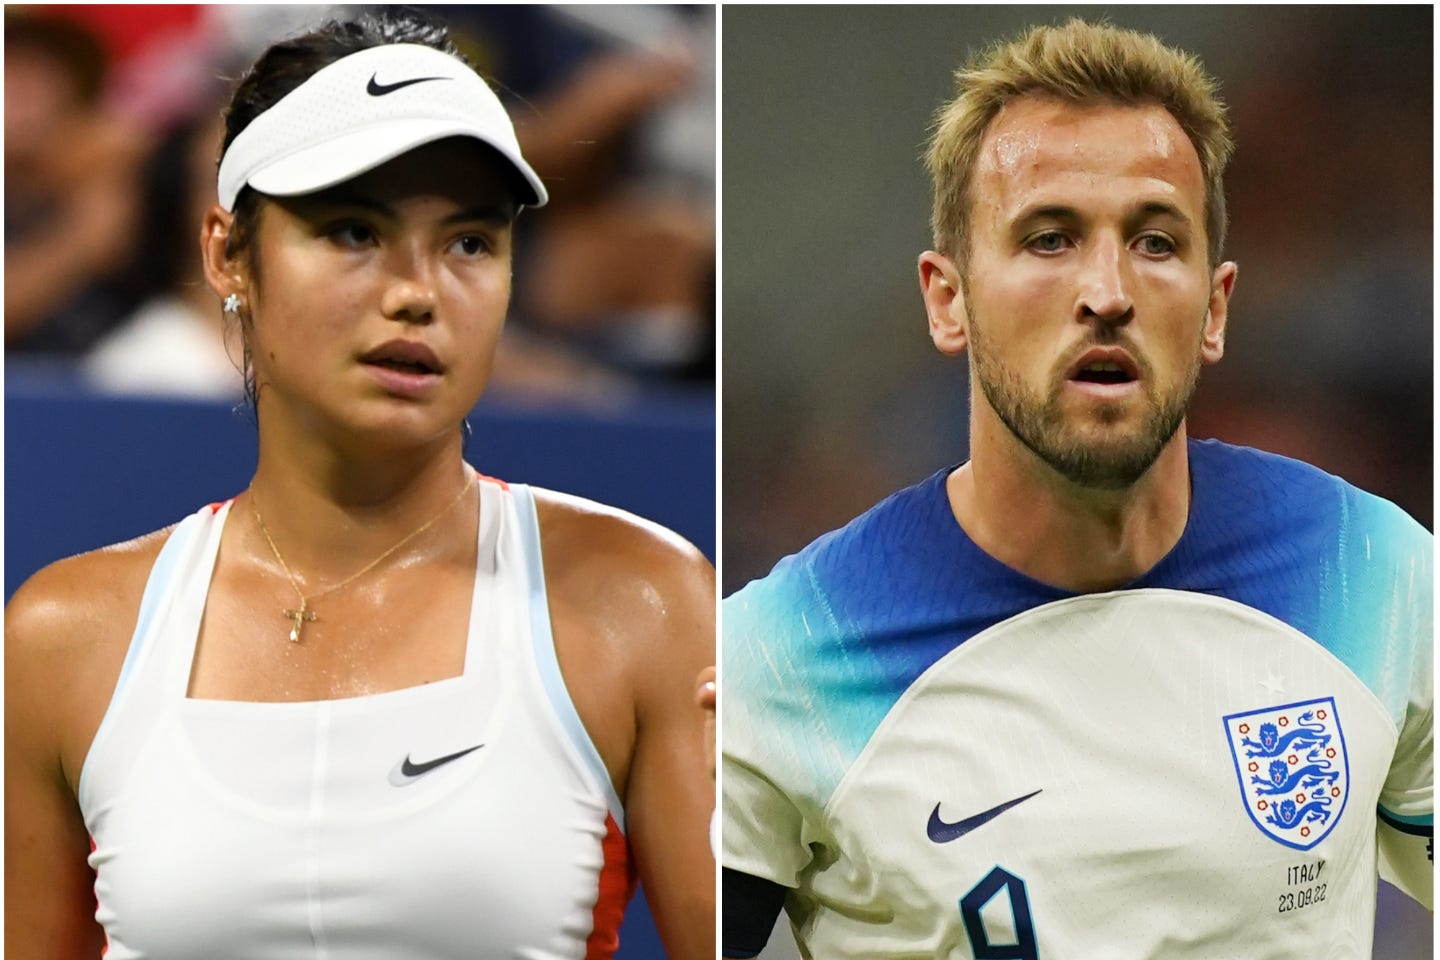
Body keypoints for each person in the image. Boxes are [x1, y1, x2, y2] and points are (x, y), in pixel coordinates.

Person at [6, 11, 715, 960]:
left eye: (470, 242)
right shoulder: (61, 640)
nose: (418, 291)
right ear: (226, 252)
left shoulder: (648, 604)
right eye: (353, 230)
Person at [721, 18, 1431, 959]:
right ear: (949, 299)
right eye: (1050, 238)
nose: (1108, 291)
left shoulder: (1376, 576)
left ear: (1215, 307)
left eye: (1155, 241)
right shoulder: (780, 659)